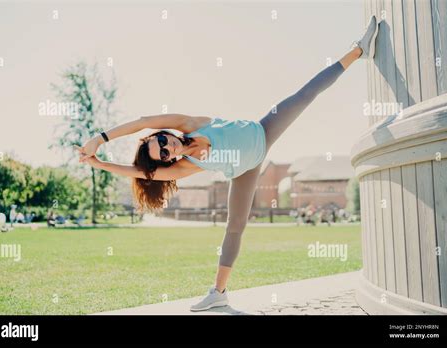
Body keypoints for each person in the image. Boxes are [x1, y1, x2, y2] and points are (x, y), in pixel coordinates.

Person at [74, 15, 379, 311]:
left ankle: (359, 50)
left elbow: (142, 122)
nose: (167, 147)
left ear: (167, 134)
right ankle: (218, 293)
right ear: (168, 161)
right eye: (163, 154)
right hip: (246, 170)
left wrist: (100, 139)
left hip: (264, 131)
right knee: (236, 227)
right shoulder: (186, 165)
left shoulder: (189, 123)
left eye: (162, 141)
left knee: (304, 95)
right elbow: (141, 172)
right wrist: (100, 165)